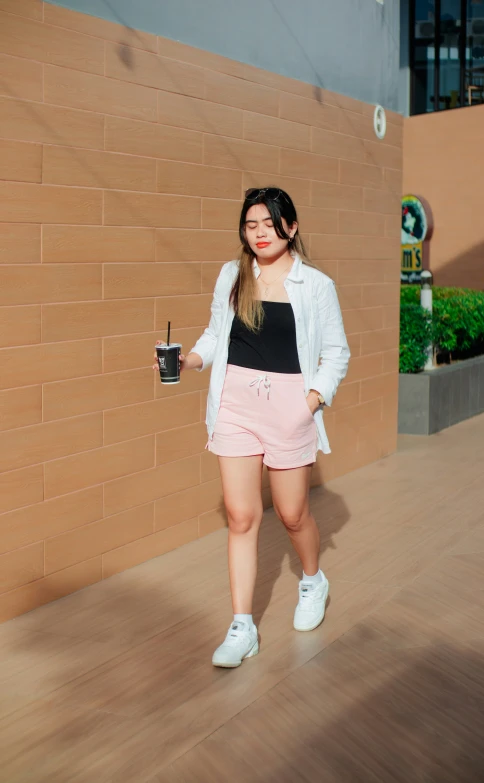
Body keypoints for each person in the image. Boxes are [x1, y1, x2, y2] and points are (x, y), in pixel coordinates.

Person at [154, 187, 350, 668]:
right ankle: (242, 627)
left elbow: (336, 352)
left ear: (291, 226)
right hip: (235, 406)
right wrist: (191, 359)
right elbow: (216, 332)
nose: (260, 233)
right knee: (241, 518)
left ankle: (312, 581)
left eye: (269, 223)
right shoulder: (232, 275)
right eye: (251, 225)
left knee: (291, 514)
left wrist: (308, 403)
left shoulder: (316, 285)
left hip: (290, 409)